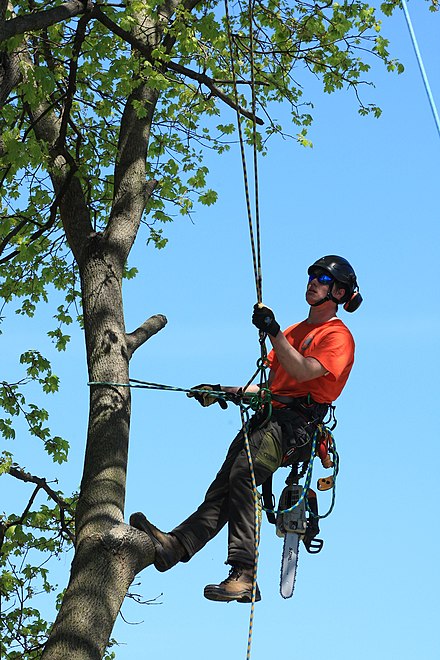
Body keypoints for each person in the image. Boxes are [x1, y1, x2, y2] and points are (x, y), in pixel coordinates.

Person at [130, 255, 362, 603]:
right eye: (312, 275)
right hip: (270, 418)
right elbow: (273, 388)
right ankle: (175, 546)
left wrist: (272, 332)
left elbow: (301, 373)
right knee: (223, 488)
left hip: (295, 426)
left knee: (244, 472)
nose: (313, 281)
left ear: (340, 293)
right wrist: (223, 391)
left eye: (323, 279)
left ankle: (245, 573)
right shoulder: (295, 332)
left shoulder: (337, 337)